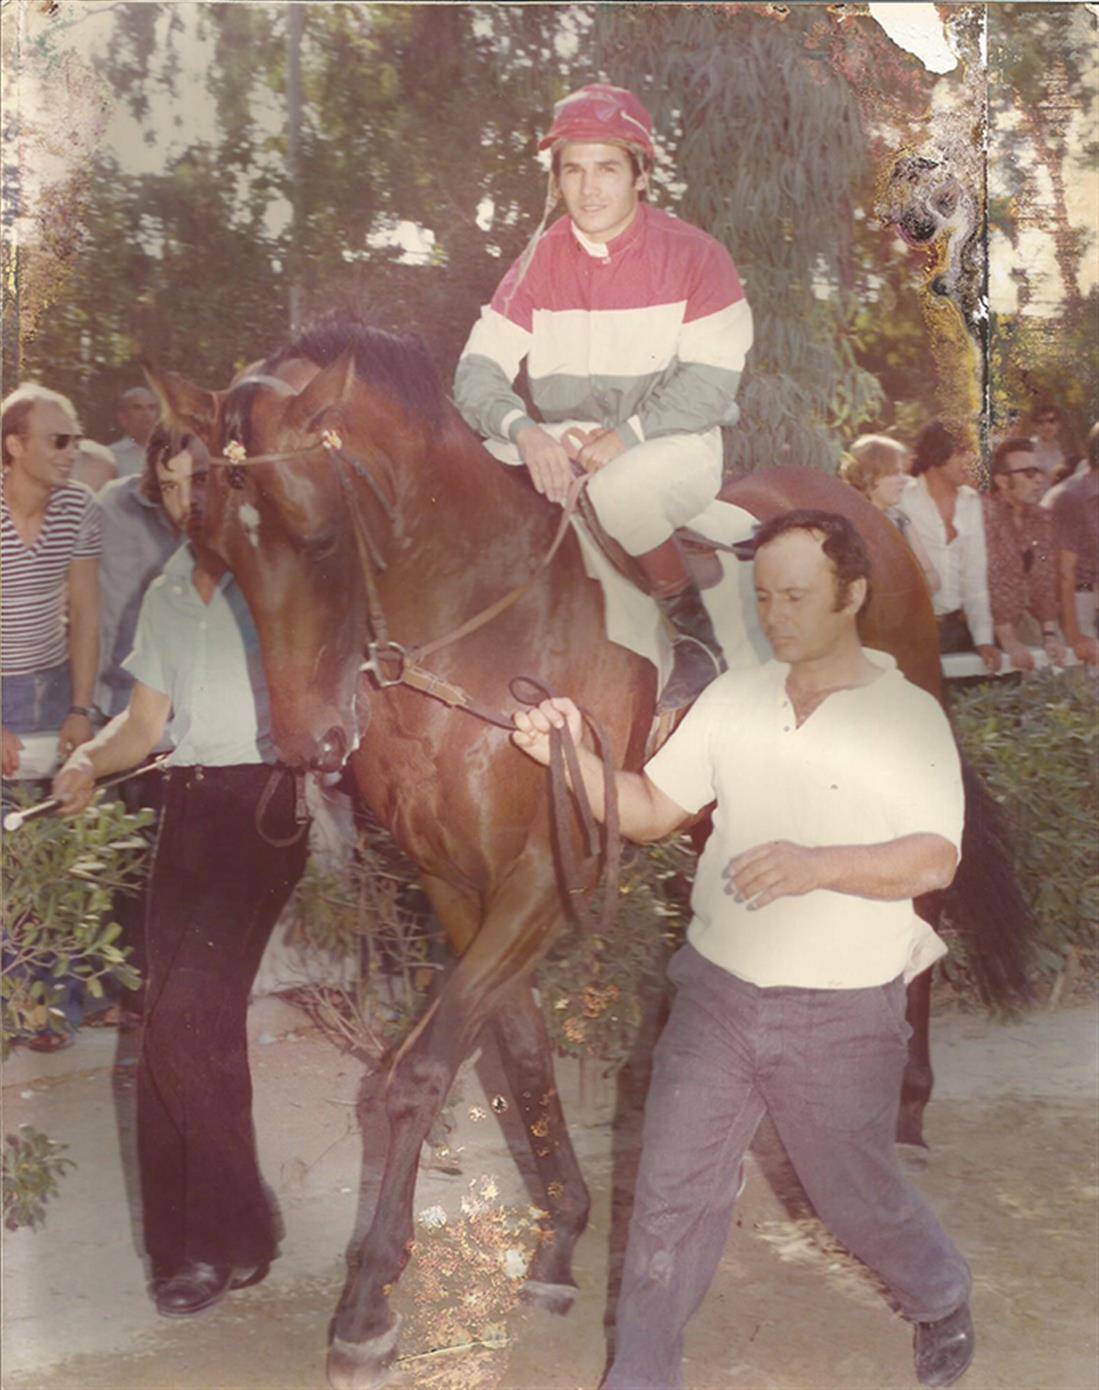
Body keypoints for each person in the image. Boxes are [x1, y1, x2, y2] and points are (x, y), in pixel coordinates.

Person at [513, 511, 975, 1390]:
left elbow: (933, 857)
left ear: (852, 594)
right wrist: (567, 759)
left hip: (841, 1009)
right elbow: (652, 810)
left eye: (796, 596)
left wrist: (818, 865)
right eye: (763, 597)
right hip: (718, 995)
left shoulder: (904, 714)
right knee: (668, 1199)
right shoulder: (734, 697)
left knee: (852, 1198)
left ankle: (939, 1289)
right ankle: (640, 1377)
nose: (775, 615)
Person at [53, 439, 309, 1316]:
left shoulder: (281, 567)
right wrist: (85, 760)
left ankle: (214, 1238)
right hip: (183, 806)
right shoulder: (165, 588)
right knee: (180, 1021)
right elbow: (143, 725)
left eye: (196, 479)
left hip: (262, 804)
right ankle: (216, 1239)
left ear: (231, 477)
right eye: (165, 486)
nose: (181, 499)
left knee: (183, 1017)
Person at [455, 83, 754, 711]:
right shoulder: (536, 262)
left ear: (640, 175)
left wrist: (625, 437)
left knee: (620, 491)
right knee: (466, 479)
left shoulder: (698, 257)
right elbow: (477, 371)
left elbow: (708, 385)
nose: (589, 189)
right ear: (557, 180)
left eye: (607, 169)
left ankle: (697, 640)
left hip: (672, 443)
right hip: (562, 442)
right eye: (574, 171)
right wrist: (523, 431)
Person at [1, 383, 100, 779]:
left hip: (56, 685)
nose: (72, 452)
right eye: (59, 441)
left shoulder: (79, 504)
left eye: (76, 441)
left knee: (62, 808)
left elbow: (86, 612)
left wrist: (80, 708)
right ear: (15, 445)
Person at [898, 419, 1000, 672]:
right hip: (909, 632)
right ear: (937, 453)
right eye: (961, 452)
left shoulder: (971, 501)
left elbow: (975, 576)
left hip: (956, 631)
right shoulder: (903, 498)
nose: (971, 460)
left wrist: (984, 639)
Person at [984, 438, 1064, 670]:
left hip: (1023, 621)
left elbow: (1045, 580)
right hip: (981, 629)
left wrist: (1050, 634)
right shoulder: (982, 514)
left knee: (1064, 670)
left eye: (1039, 471)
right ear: (1002, 480)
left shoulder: (1043, 518)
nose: (1038, 479)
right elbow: (994, 582)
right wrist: (1009, 639)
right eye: (1029, 473)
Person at [839, 433, 940, 592]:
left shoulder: (900, 520)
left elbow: (931, 576)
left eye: (903, 472)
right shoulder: (846, 524)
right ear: (870, 475)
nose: (905, 480)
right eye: (895, 473)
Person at [1051, 421, 1099, 667]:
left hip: (1092, 599)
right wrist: (1074, 635)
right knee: (1076, 681)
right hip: (1073, 605)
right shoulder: (1072, 497)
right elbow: (1064, 573)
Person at [109, 386, 159, 479]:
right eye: (138, 408)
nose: (146, 413)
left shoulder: (170, 451)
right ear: (123, 416)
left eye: (151, 408)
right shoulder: (111, 456)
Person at [1028, 403, 1067, 487]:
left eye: (1051, 421)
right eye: (1041, 422)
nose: (1047, 426)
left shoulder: (1060, 448)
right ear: (1034, 426)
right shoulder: (1029, 449)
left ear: (1059, 424)